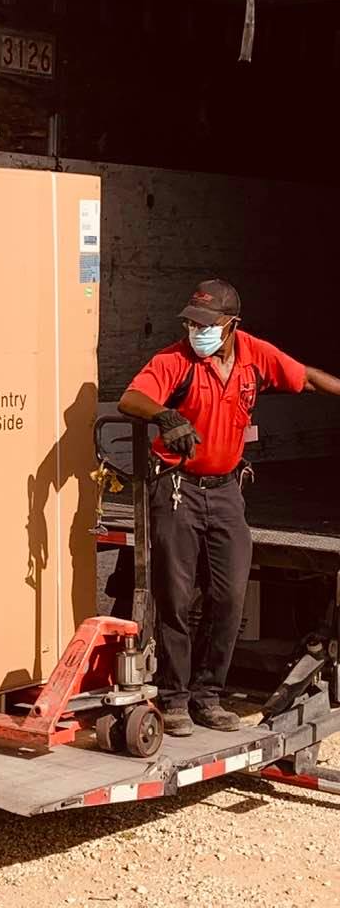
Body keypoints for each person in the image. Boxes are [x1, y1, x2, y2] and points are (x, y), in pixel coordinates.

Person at [118, 279, 340, 736]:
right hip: (177, 489)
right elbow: (131, 397)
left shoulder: (255, 354)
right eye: (191, 323)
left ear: (231, 324)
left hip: (225, 492)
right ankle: (174, 698)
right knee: (176, 598)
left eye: (206, 324)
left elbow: (306, 377)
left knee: (229, 596)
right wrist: (166, 415)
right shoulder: (174, 360)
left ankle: (208, 695)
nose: (195, 331)